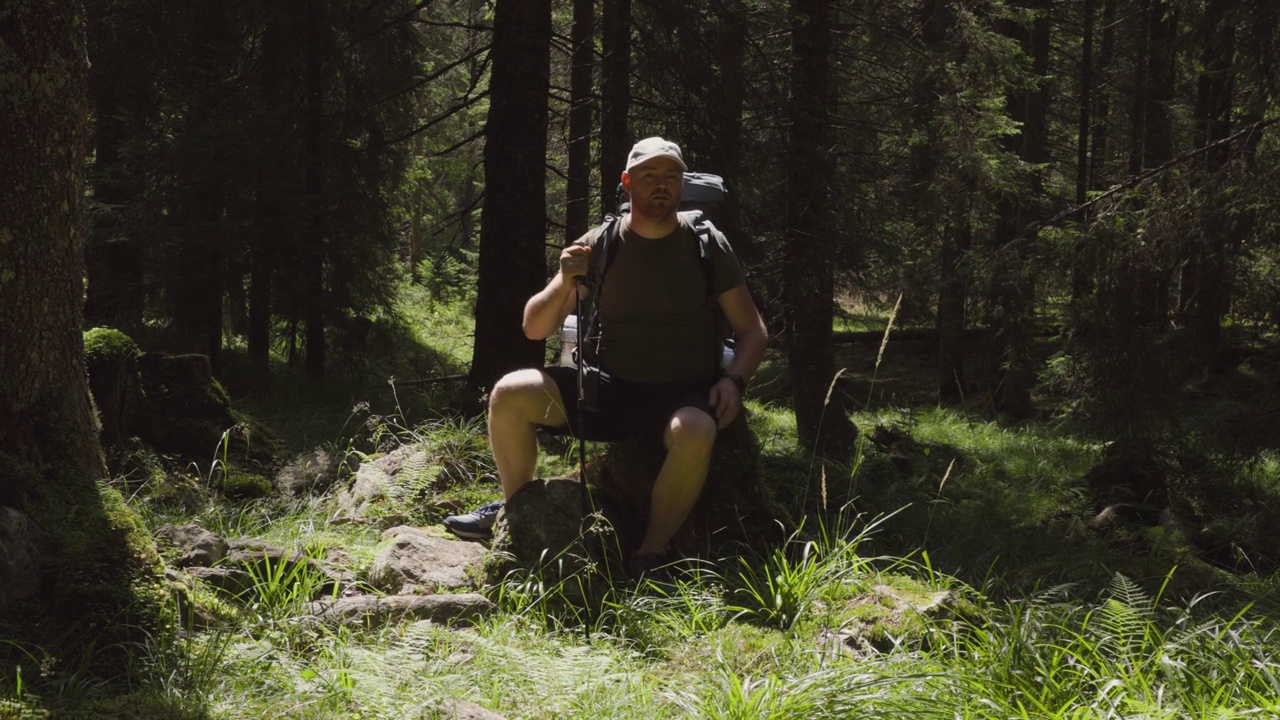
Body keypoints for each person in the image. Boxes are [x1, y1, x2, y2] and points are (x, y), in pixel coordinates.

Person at [446, 137, 768, 577]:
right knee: (509, 394)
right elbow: (534, 327)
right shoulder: (602, 243)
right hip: (609, 390)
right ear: (627, 182)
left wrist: (734, 381)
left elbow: (752, 330)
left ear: (682, 184)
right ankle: (514, 512)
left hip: (683, 394)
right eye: (650, 176)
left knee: (695, 430)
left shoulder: (705, 243)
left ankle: (649, 554)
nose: (661, 186)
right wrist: (563, 281)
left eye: (671, 177)